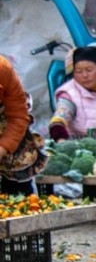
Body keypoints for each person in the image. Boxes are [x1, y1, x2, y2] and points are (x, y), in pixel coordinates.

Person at [0, 55, 45, 195]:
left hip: (5, 123)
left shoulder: (3, 69)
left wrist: (3, 148)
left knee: (21, 154)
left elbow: (18, 116)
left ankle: (18, 197)